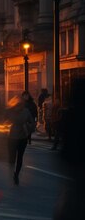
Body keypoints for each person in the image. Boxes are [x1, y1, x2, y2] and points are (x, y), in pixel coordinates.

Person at [53, 78, 85, 219]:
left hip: (75, 163)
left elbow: (65, 139)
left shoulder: (71, 114)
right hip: (76, 162)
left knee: (72, 198)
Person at [6, 94, 35, 185]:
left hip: (12, 137)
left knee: (12, 157)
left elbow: (3, 121)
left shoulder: (10, 111)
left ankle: (13, 173)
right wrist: (28, 129)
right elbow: (32, 123)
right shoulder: (26, 111)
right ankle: (16, 174)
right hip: (23, 137)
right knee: (20, 157)